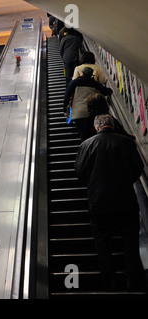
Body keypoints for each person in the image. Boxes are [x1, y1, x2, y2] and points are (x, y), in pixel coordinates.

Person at [75, 114, 147, 292]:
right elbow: (138, 168)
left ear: (96, 127)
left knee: (103, 245)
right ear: (112, 126)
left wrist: (94, 184)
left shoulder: (86, 144)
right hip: (126, 201)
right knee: (130, 242)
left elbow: (79, 172)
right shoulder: (126, 142)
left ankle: (110, 282)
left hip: (98, 204)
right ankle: (133, 281)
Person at [63, 66, 113, 141]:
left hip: (78, 114)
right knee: (93, 135)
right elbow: (106, 91)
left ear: (82, 73)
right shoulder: (94, 83)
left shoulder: (74, 83)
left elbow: (66, 96)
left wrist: (65, 110)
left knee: (84, 137)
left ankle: (86, 148)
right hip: (91, 113)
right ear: (91, 75)